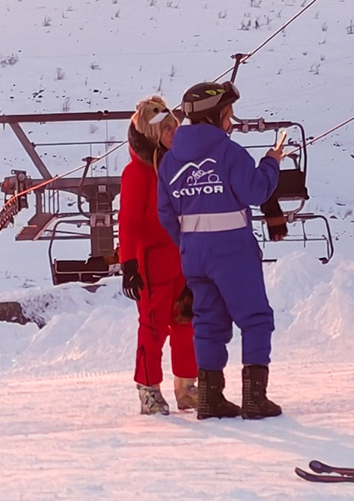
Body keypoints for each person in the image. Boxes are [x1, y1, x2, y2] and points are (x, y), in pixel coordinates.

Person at [157, 80, 286, 420]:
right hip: (232, 251)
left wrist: (188, 243)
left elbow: (165, 214)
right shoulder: (230, 153)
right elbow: (255, 191)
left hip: (194, 255)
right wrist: (271, 162)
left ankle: (210, 398)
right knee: (255, 318)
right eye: (228, 114)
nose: (231, 121)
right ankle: (255, 398)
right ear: (215, 116)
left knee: (208, 322)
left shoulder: (169, 163)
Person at [119, 95, 198, 415]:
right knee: (153, 327)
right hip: (152, 264)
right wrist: (129, 264)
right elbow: (128, 222)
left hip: (182, 259)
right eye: (167, 129)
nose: (174, 134)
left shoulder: (177, 167)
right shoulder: (137, 173)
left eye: (174, 127)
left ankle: (186, 386)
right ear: (153, 134)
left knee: (186, 322)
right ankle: (148, 389)